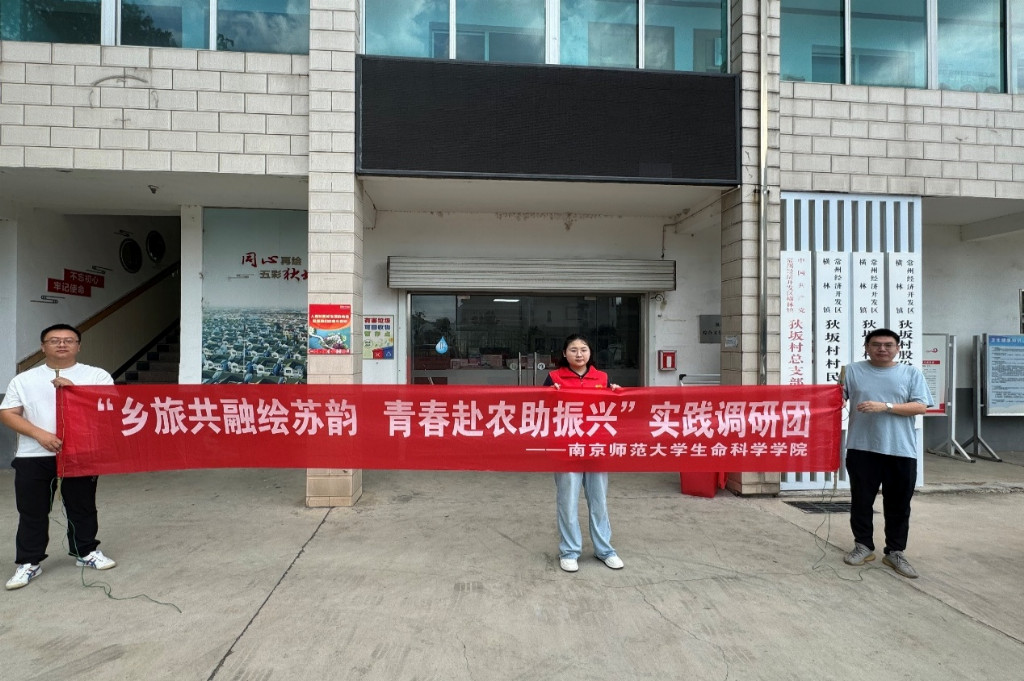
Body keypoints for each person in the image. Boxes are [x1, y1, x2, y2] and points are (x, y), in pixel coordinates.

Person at [1, 324, 117, 590]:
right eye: (54, 340)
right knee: (32, 509)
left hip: (80, 451)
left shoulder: (96, 375)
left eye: (68, 340)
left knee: (82, 505)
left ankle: (85, 551)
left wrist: (75, 392)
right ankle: (29, 562)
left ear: (78, 346)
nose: (62, 344)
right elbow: (8, 413)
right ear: (43, 347)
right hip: (33, 454)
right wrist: (39, 434)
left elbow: (109, 409)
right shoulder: (23, 379)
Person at [841, 328, 933, 579]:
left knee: (899, 504)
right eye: (876, 344)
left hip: (900, 449)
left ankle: (895, 551)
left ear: (897, 348)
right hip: (862, 448)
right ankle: (863, 546)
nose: (882, 349)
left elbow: (920, 407)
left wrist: (885, 406)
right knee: (861, 501)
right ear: (866, 347)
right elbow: (835, 398)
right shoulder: (851, 371)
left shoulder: (910, 373)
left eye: (888, 345)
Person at [545, 333, 624, 573]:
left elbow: (615, 410)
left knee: (599, 501)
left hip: (596, 448)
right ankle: (569, 551)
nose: (579, 354)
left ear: (590, 353)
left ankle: (604, 550)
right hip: (567, 448)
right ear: (564, 353)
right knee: (567, 502)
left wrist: (617, 393)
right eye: (573, 350)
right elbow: (539, 410)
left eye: (583, 349)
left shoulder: (603, 378)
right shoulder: (554, 378)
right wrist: (548, 395)